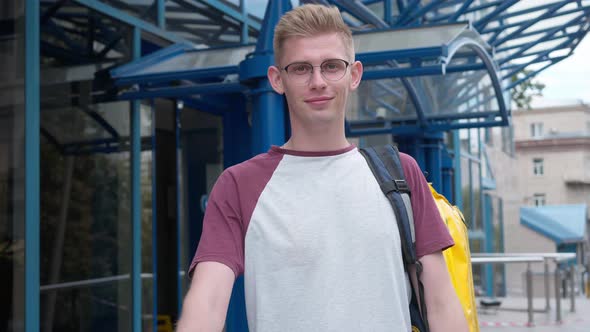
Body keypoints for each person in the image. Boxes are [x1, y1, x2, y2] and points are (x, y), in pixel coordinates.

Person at [177, 4, 468, 332]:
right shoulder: (238, 185)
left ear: (354, 74)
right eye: (301, 69)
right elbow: (207, 303)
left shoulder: (401, 174)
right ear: (277, 79)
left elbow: (442, 305)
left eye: (332, 66)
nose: (318, 82)